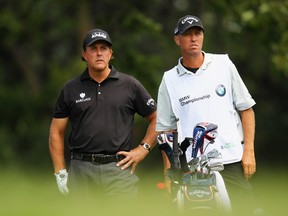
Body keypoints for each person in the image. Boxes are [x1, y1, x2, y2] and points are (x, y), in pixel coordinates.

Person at [156, 15, 256, 213]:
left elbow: (246, 109)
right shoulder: (169, 79)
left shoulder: (223, 64)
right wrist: (169, 172)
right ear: (177, 40)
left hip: (231, 159)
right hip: (191, 167)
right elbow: (166, 131)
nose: (194, 38)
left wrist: (249, 152)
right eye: (188, 34)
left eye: (197, 33)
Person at [49, 28, 158, 199]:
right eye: (93, 49)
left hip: (118, 168)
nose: (99, 53)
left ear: (110, 53)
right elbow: (56, 131)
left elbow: (157, 118)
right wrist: (60, 171)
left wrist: (143, 149)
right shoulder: (71, 88)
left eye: (104, 48)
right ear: (84, 54)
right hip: (81, 170)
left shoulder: (130, 85)